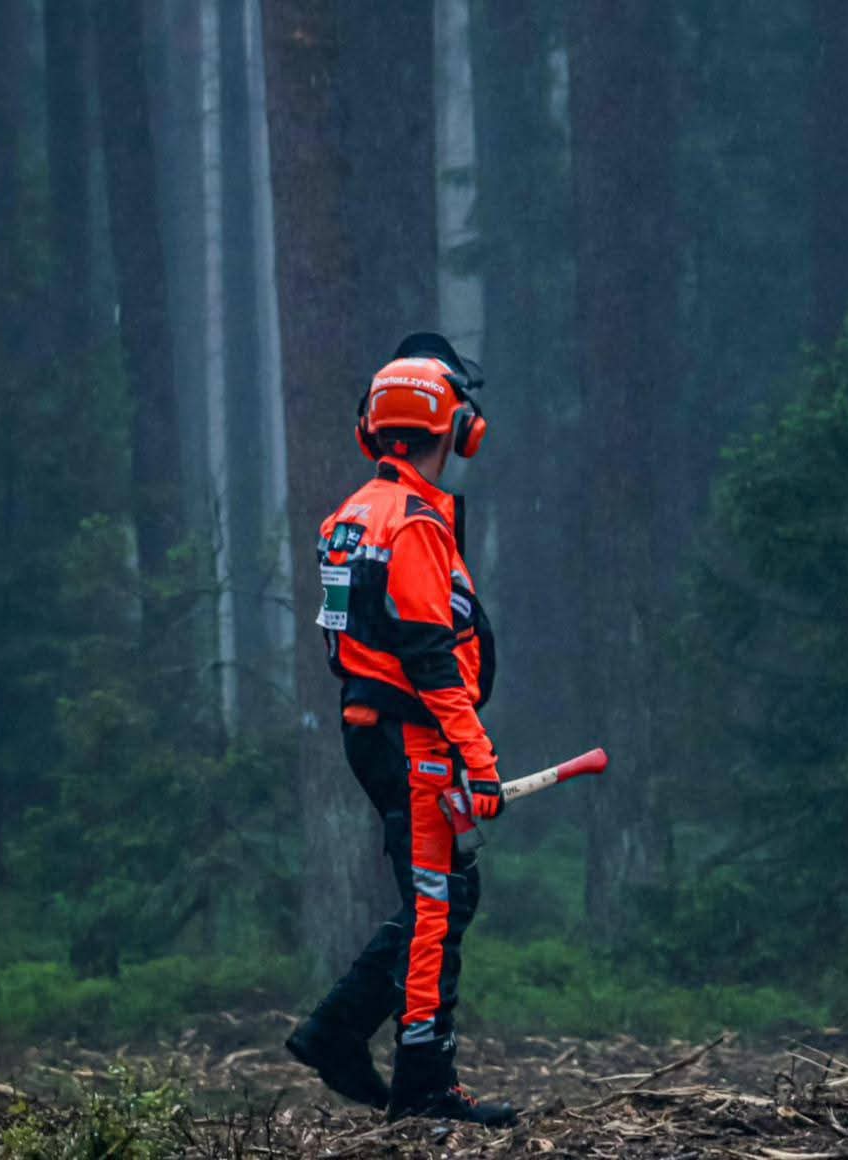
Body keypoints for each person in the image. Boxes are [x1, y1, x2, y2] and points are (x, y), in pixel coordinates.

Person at [285, 333, 516, 1126]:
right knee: (436, 902)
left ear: (373, 429)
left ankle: (338, 1030)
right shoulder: (413, 523)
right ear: (454, 427)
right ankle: (422, 1084)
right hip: (411, 737)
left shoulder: (351, 516)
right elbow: (428, 655)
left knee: (447, 892)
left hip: (377, 728)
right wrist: (477, 758)